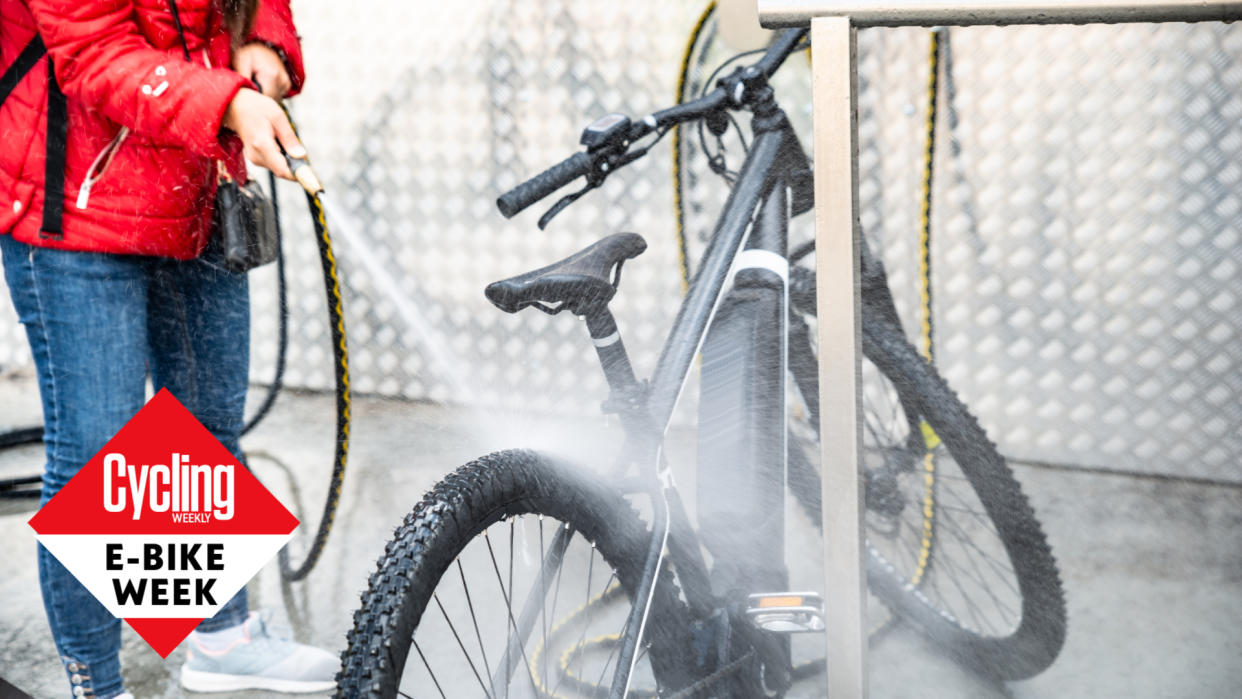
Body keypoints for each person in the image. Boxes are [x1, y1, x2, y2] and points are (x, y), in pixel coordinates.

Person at [0, 0, 337, 696]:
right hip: (74, 203)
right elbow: (94, 54)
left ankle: (222, 639)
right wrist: (227, 103)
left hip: (192, 177)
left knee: (202, 432)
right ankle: (94, 682)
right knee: (98, 452)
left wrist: (266, 44)